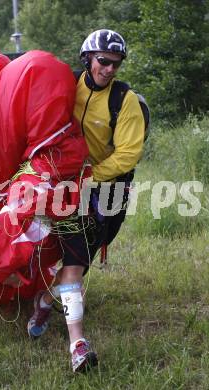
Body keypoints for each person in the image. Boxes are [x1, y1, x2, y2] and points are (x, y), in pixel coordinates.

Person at [27, 29, 145, 373]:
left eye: (116, 64)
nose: (110, 69)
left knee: (91, 249)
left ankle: (47, 298)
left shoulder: (126, 101)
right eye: (104, 62)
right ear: (87, 59)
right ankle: (77, 344)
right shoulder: (68, 86)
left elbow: (127, 155)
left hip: (109, 186)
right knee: (76, 253)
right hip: (68, 186)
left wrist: (91, 176)